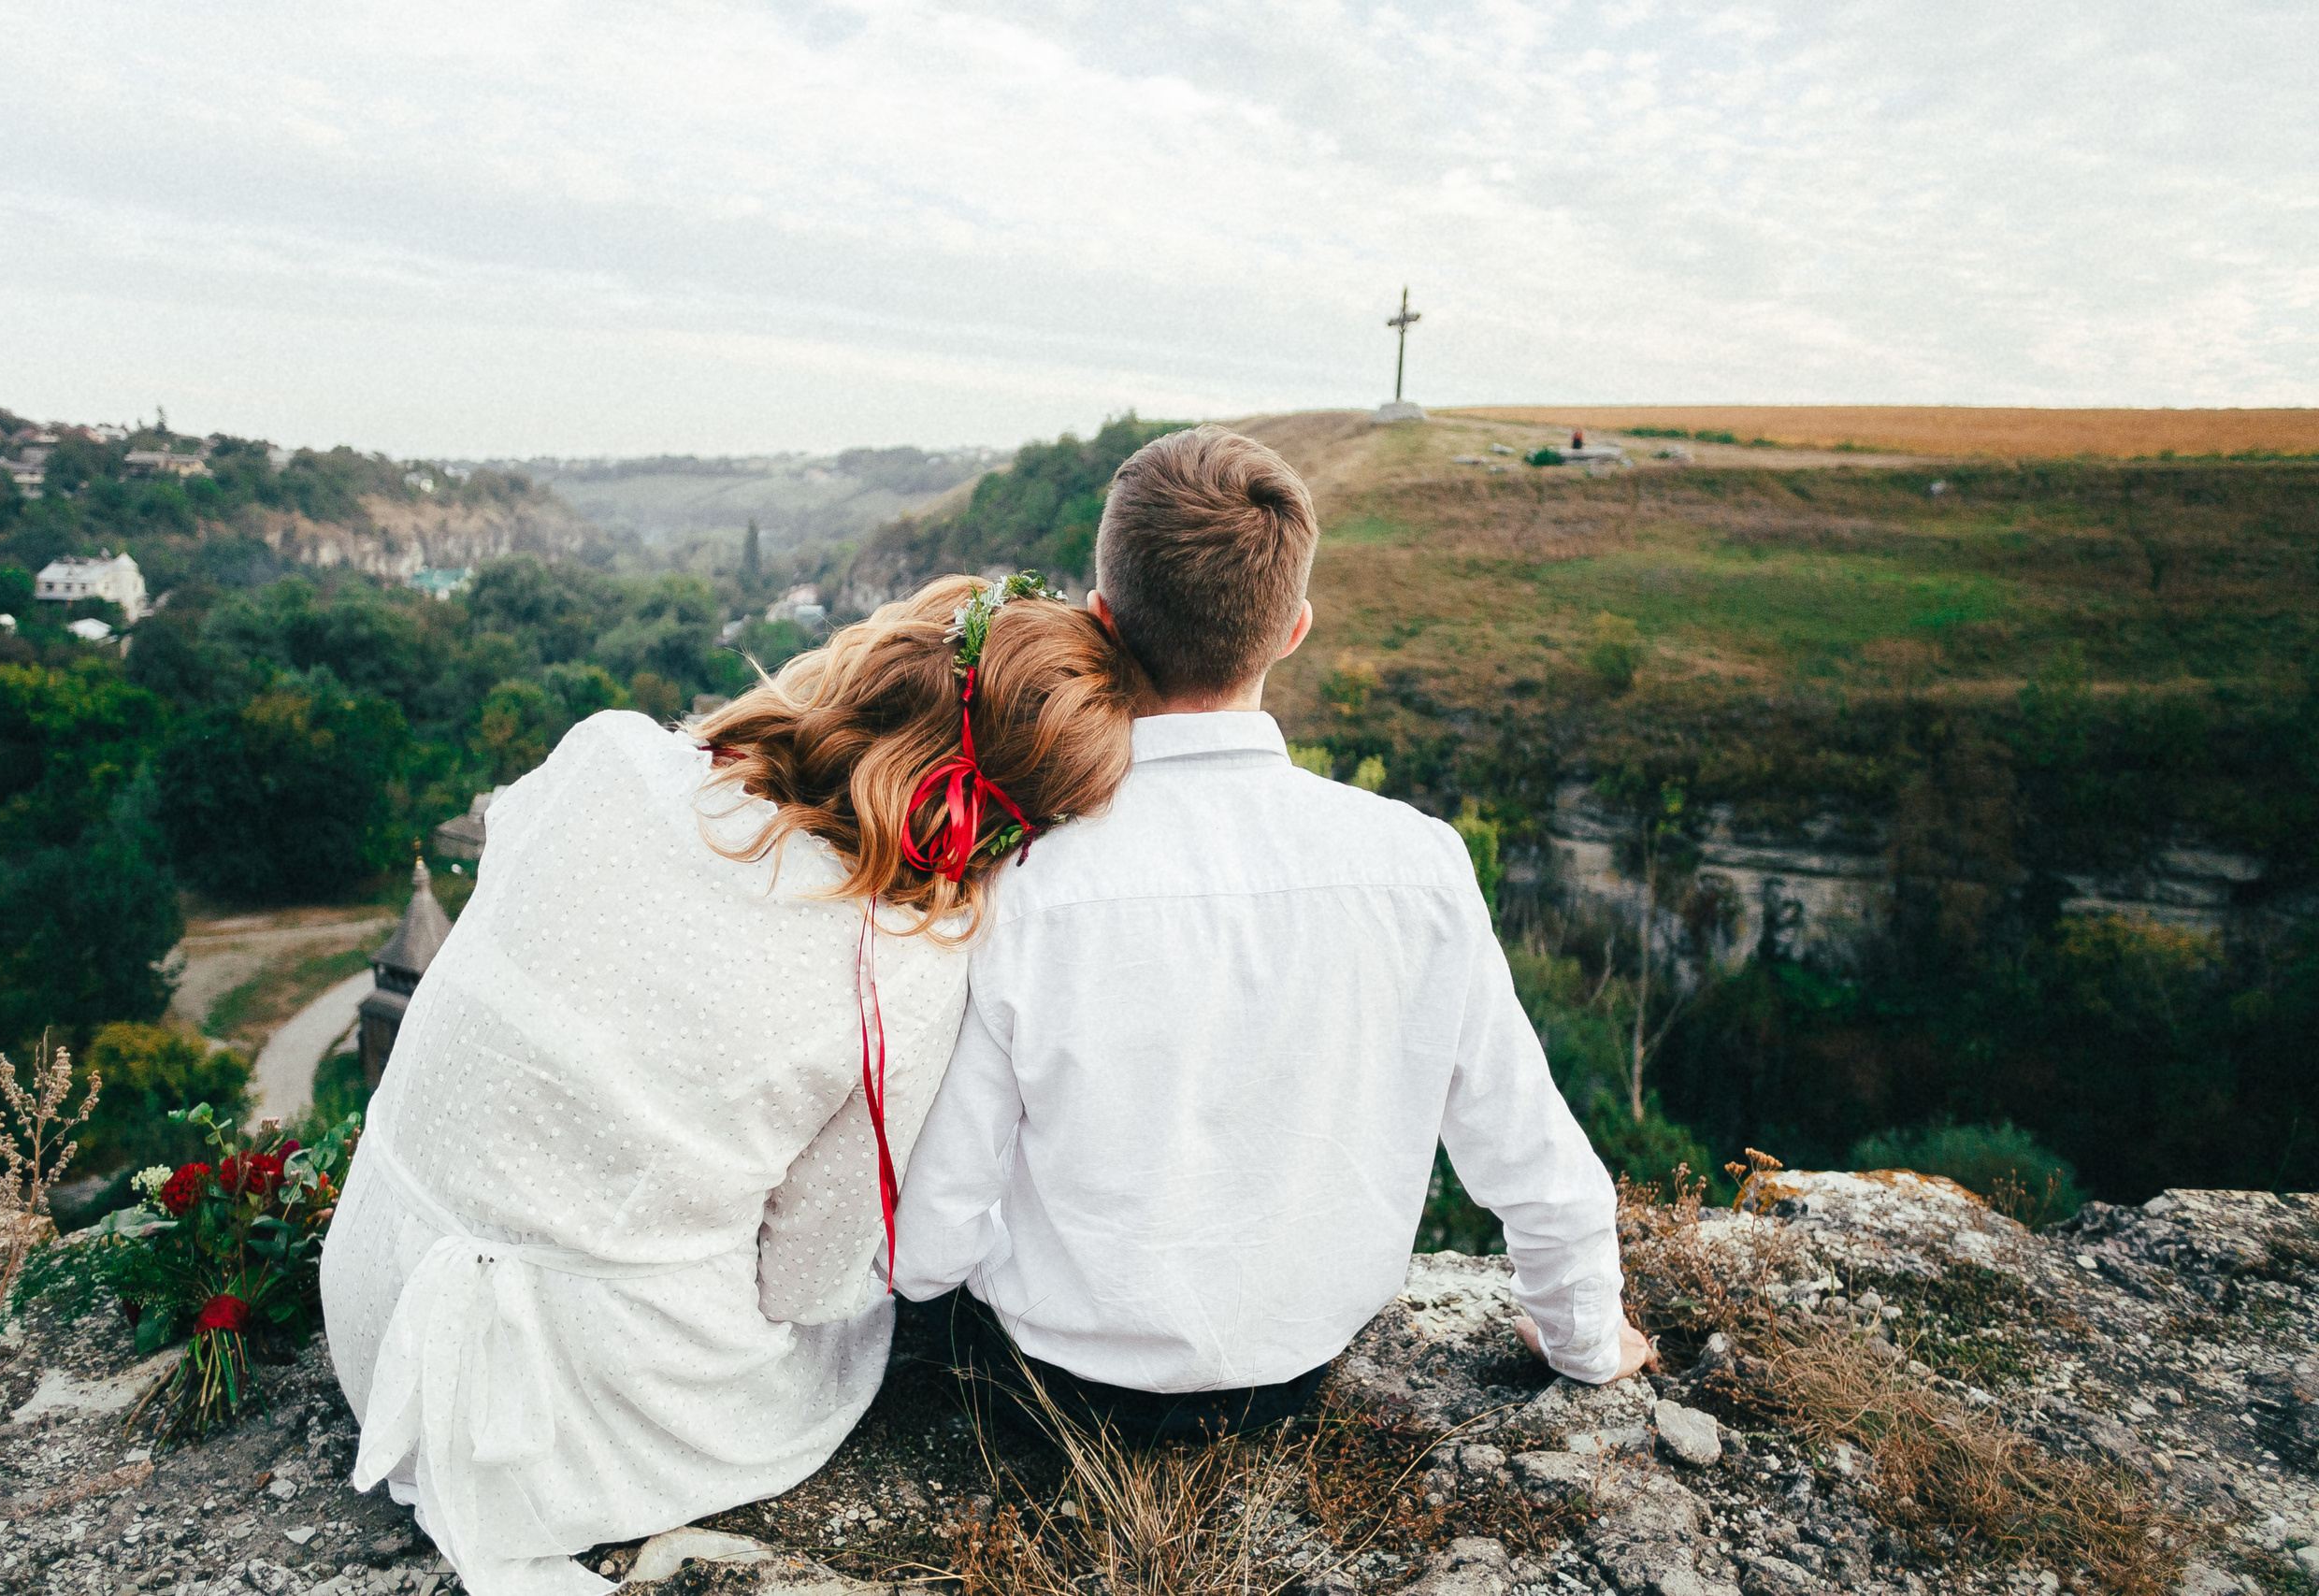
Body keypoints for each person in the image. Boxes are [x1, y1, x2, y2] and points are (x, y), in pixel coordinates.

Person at [320, 574, 1143, 1595]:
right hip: (583, 1412)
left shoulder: (609, 754)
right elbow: (806, 1277)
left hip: (374, 1296)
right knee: (856, 1334)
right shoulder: (901, 966)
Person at [892, 426, 1652, 1443]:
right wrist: (1587, 1343)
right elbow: (1530, 1157)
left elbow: (935, 1234)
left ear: (1103, 622)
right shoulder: (1416, 862)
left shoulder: (1029, 879)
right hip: (1302, 1368)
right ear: (1291, 631)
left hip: (1059, 1387)